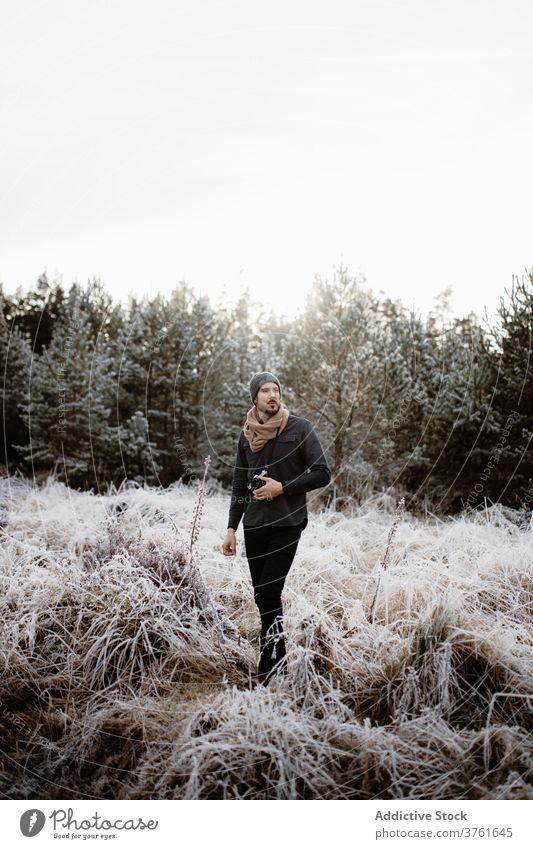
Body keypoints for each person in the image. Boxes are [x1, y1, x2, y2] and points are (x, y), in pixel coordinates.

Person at [221, 371, 331, 685]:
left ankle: (267, 663)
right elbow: (239, 485)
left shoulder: (299, 428)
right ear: (254, 398)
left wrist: (282, 488)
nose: (273, 395)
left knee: (269, 591)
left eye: (276, 390)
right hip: (254, 526)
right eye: (266, 391)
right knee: (263, 596)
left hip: (287, 523)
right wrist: (231, 528)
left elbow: (322, 473)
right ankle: (278, 656)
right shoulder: (246, 435)